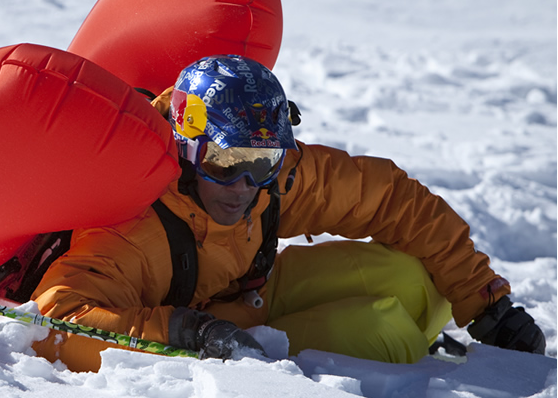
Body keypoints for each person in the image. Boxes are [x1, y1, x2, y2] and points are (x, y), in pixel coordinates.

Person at [30, 55, 545, 372]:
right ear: (188, 152)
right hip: (198, 327)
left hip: (250, 296)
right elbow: (57, 315)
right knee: (388, 338)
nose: (243, 187)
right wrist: (187, 333)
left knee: (421, 284)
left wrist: (487, 304)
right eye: (225, 163)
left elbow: (392, 200)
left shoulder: (270, 183)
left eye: (261, 162)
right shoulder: (135, 225)